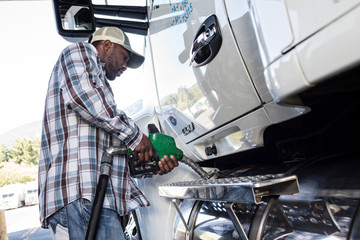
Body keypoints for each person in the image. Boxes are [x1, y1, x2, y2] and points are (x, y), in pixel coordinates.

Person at [38, 26, 179, 240]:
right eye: (124, 57)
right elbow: (83, 97)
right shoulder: (79, 51)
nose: (124, 66)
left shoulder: (102, 95)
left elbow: (112, 154)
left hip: (93, 198)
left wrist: (150, 165)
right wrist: (136, 136)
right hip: (82, 195)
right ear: (106, 45)